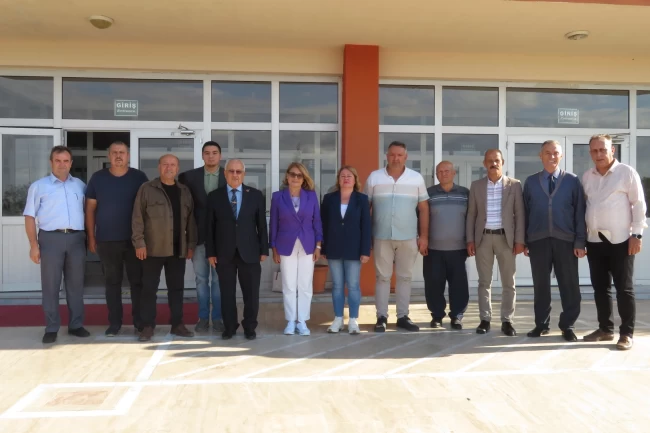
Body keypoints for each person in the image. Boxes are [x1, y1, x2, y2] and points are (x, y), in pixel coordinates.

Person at [582, 134, 647, 350]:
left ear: (612, 150)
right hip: (594, 241)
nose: (599, 154)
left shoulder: (626, 173)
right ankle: (605, 329)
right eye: (594, 150)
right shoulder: (587, 176)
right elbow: (586, 206)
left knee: (624, 289)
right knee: (600, 289)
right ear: (590, 153)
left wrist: (637, 234)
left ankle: (626, 334)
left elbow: (638, 204)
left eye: (603, 149)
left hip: (621, 241)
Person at [23, 146, 89, 344]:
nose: (62, 164)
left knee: (76, 285)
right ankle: (51, 327)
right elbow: (29, 216)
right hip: (51, 239)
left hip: (76, 239)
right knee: (51, 285)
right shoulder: (39, 186)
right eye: (58, 160)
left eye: (66, 161)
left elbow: (88, 212)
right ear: (51, 162)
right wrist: (33, 245)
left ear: (71, 163)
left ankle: (76, 325)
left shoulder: (80, 186)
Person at [523, 140, 586, 342]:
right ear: (540, 156)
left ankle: (568, 325)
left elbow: (579, 213)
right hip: (538, 241)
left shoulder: (572, 181)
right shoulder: (531, 182)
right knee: (541, 285)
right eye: (547, 153)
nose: (552, 156)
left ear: (561, 156)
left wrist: (580, 241)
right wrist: (525, 240)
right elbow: (525, 213)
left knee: (569, 285)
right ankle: (541, 324)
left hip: (566, 241)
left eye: (556, 153)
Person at [364, 141, 429, 333]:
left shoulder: (416, 178)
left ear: (406, 157)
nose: (396, 158)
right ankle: (381, 317)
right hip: (381, 236)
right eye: (392, 154)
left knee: (405, 277)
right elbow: (365, 208)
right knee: (382, 277)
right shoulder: (374, 178)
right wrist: (366, 237)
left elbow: (424, 208)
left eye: (400, 155)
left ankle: (403, 316)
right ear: (386, 156)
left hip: (408, 236)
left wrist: (424, 236)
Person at [132, 154, 197, 342]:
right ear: (159, 167)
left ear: (177, 168)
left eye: (173, 165)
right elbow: (137, 217)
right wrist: (139, 243)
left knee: (176, 289)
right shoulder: (147, 189)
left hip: (178, 249)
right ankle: (147, 326)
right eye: (165, 164)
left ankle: (177, 324)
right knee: (149, 289)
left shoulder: (184, 191)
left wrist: (190, 244)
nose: (169, 168)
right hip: (152, 249)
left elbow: (190, 220)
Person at [86, 141, 148, 336]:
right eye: (114, 152)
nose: (118, 156)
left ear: (128, 156)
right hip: (107, 240)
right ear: (109, 156)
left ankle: (139, 322)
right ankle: (114, 323)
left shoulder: (139, 177)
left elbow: (147, 208)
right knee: (112, 283)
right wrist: (91, 236)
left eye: (122, 152)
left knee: (137, 282)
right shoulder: (98, 178)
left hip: (134, 241)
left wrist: (144, 239)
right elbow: (90, 209)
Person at [205, 159, 268, 340]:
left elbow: (261, 225)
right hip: (224, 253)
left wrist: (264, 249)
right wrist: (211, 252)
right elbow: (209, 227)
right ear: (225, 174)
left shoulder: (255, 195)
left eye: (238, 171)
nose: (235, 175)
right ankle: (230, 327)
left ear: (243, 174)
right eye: (231, 171)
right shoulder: (214, 196)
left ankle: (250, 326)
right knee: (227, 293)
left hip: (250, 252)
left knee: (251, 294)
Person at [467, 149, 525, 336]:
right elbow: (471, 215)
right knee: (484, 281)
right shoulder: (476, 186)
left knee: (509, 282)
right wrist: (470, 239)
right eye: (490, 161)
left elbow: (520, 214)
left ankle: (507, 321)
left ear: (502, 162)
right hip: (483, 238)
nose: (493, 164)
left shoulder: (514, 185)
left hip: (506, 239)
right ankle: (485, 319)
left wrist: (519, 240)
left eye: (497, 160)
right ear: (484, 164)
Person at [269, 162, 323, 336]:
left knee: (305, 284)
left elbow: (317, 221)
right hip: (286, 244)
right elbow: (273, 224)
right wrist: (273, 247)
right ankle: (291, 321)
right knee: (289, 284)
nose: (295, 178)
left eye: (299, 175)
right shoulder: (278, 197)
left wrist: (318, 245)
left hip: (308, 244)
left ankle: (302, 321)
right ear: (287, 176)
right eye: (292, 174)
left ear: (304, 178)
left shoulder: (311, 196)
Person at [178, 141, 226, 333]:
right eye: (207, 153)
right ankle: (203, 317)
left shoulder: (228, 175)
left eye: (214, 153)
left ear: (220, 156)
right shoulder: (189, 177)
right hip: (198, 237)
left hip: (221, 239)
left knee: (219, 281)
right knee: (201, 279)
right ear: (202, 155)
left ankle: (218, 318)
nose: (211, 156)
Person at [321, 166, 371, 335]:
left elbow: (366, 226)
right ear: (338, 179)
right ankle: (338, 319)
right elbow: (323, 224)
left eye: (349, 176)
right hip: (333, 248)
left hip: (354, 249)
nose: (346, 178)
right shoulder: (329, 198)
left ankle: (353, 320)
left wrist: (365, 250)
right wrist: (323, 247)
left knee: (353, 285)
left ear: (355, 179)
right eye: (342, 176)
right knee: (337, 285)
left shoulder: (362, 199)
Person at [424, 161, 470, 330]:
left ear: (454, 173)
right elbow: (420, 217)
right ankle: (437, 315)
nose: (444, 174)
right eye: (440, 172)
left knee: (458, 285)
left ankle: (457, 315)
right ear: (436, 175)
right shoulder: (428, 193)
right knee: (434, 284)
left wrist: (471, 241)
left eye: (447, 171)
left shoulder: (465, 193)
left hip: (459, 249)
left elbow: (472, 218)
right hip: (433, 249)